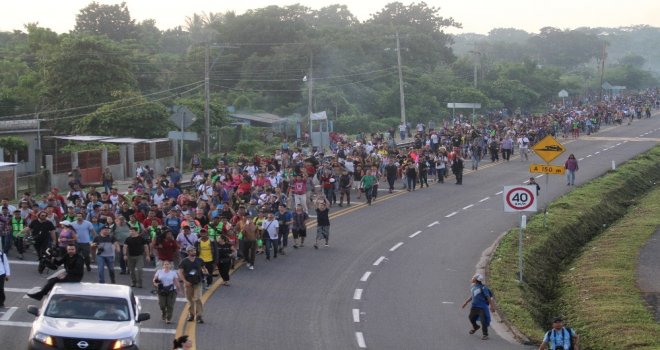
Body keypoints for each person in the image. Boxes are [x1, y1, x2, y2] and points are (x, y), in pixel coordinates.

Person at [461, 273, 495, 340]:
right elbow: (472, 296)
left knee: (483, 321)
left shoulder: (483, 288)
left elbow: (488, 297)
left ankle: (485, 334)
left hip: (482, 307)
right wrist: (466, 302)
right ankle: (475, 327)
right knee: (471, 318)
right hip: (474, 306)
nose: (472, 278)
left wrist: (491, 306)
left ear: (476, 280)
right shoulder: (473, 287)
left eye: (473, 277)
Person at [178, 245, 207, 324]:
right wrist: (185, 281)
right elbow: (180, 272)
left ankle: (199, 316)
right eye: (191, 251)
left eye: (194, 250)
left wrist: (205, 271)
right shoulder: (184, 261)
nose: (193, 252)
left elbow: (204, 268)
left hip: (198, 282)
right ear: (188, 252)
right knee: (190, 300)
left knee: (197, 298)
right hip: (188, 283)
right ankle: (191, 314)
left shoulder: (199, 260)